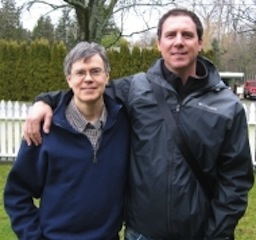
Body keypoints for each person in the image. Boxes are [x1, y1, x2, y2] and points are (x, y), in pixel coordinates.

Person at [23, 8, 254, 240]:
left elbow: (236, 178)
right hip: (142, 234)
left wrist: (217, 234)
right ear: (159, 43)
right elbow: (88, 89)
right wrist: (44, 101)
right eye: (171, 35)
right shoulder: (136, 89)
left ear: (200, 43)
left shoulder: (227, 105)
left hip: (200, 233)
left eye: (187, 35)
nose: (179, 42)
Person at [4, 41, 130, 240]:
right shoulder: (44, 130)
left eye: (96, 71)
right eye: (80, 72)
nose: (88, 79)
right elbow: (17, 194)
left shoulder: (124, 124)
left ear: (107, 76)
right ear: (69, 79)